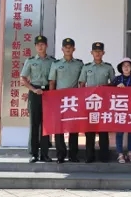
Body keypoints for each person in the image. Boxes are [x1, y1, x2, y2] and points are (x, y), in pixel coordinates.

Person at [20, 35, 56, 163]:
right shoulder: (30, 61)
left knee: (46, 125)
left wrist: (50, 92)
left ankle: (45, 154)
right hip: (34, 93)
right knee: (34, 124)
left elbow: (54, 79)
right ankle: (34, 154)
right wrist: (33, 89)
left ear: (46, 46)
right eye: (38, 44)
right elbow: (23, 78)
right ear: (35, 46)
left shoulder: (53, 61)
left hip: (47, 93)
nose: (40, 47)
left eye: (42, 44)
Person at [78, 42, 115, 163]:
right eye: (95, 51)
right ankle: (89, 156)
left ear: (103, 53)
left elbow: (113, 84)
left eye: (100, 51)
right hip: (89, 102)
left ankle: (104, 156)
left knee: (103, 130)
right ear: (91, 53)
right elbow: (82, 84)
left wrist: (104, 88)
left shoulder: (108, 67)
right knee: (90, 130)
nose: (97, 53)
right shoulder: (86, 67)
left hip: (103, 102)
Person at [48, 38, 84, 164]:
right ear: (62, 49)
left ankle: (73, 155)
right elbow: (52, 82)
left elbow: (82, 82)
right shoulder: (56, 64)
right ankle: (61, 155)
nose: (68, 49)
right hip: (59, 99)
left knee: (74, 127)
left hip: (74, 99)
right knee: (59, 128)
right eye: (66, 47)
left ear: (74, 49)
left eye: (70, 47)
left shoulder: (79, 64)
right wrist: (52, 99)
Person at [111, 57, 131, 163]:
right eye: (124, 66)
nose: (126, 67)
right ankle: (120, 154)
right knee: (120, 132)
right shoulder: (117, 79)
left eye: (128, 65)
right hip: (120, 109)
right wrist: (116, 88)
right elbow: (109, 92)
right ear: (121, 68)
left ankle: (130, 152)